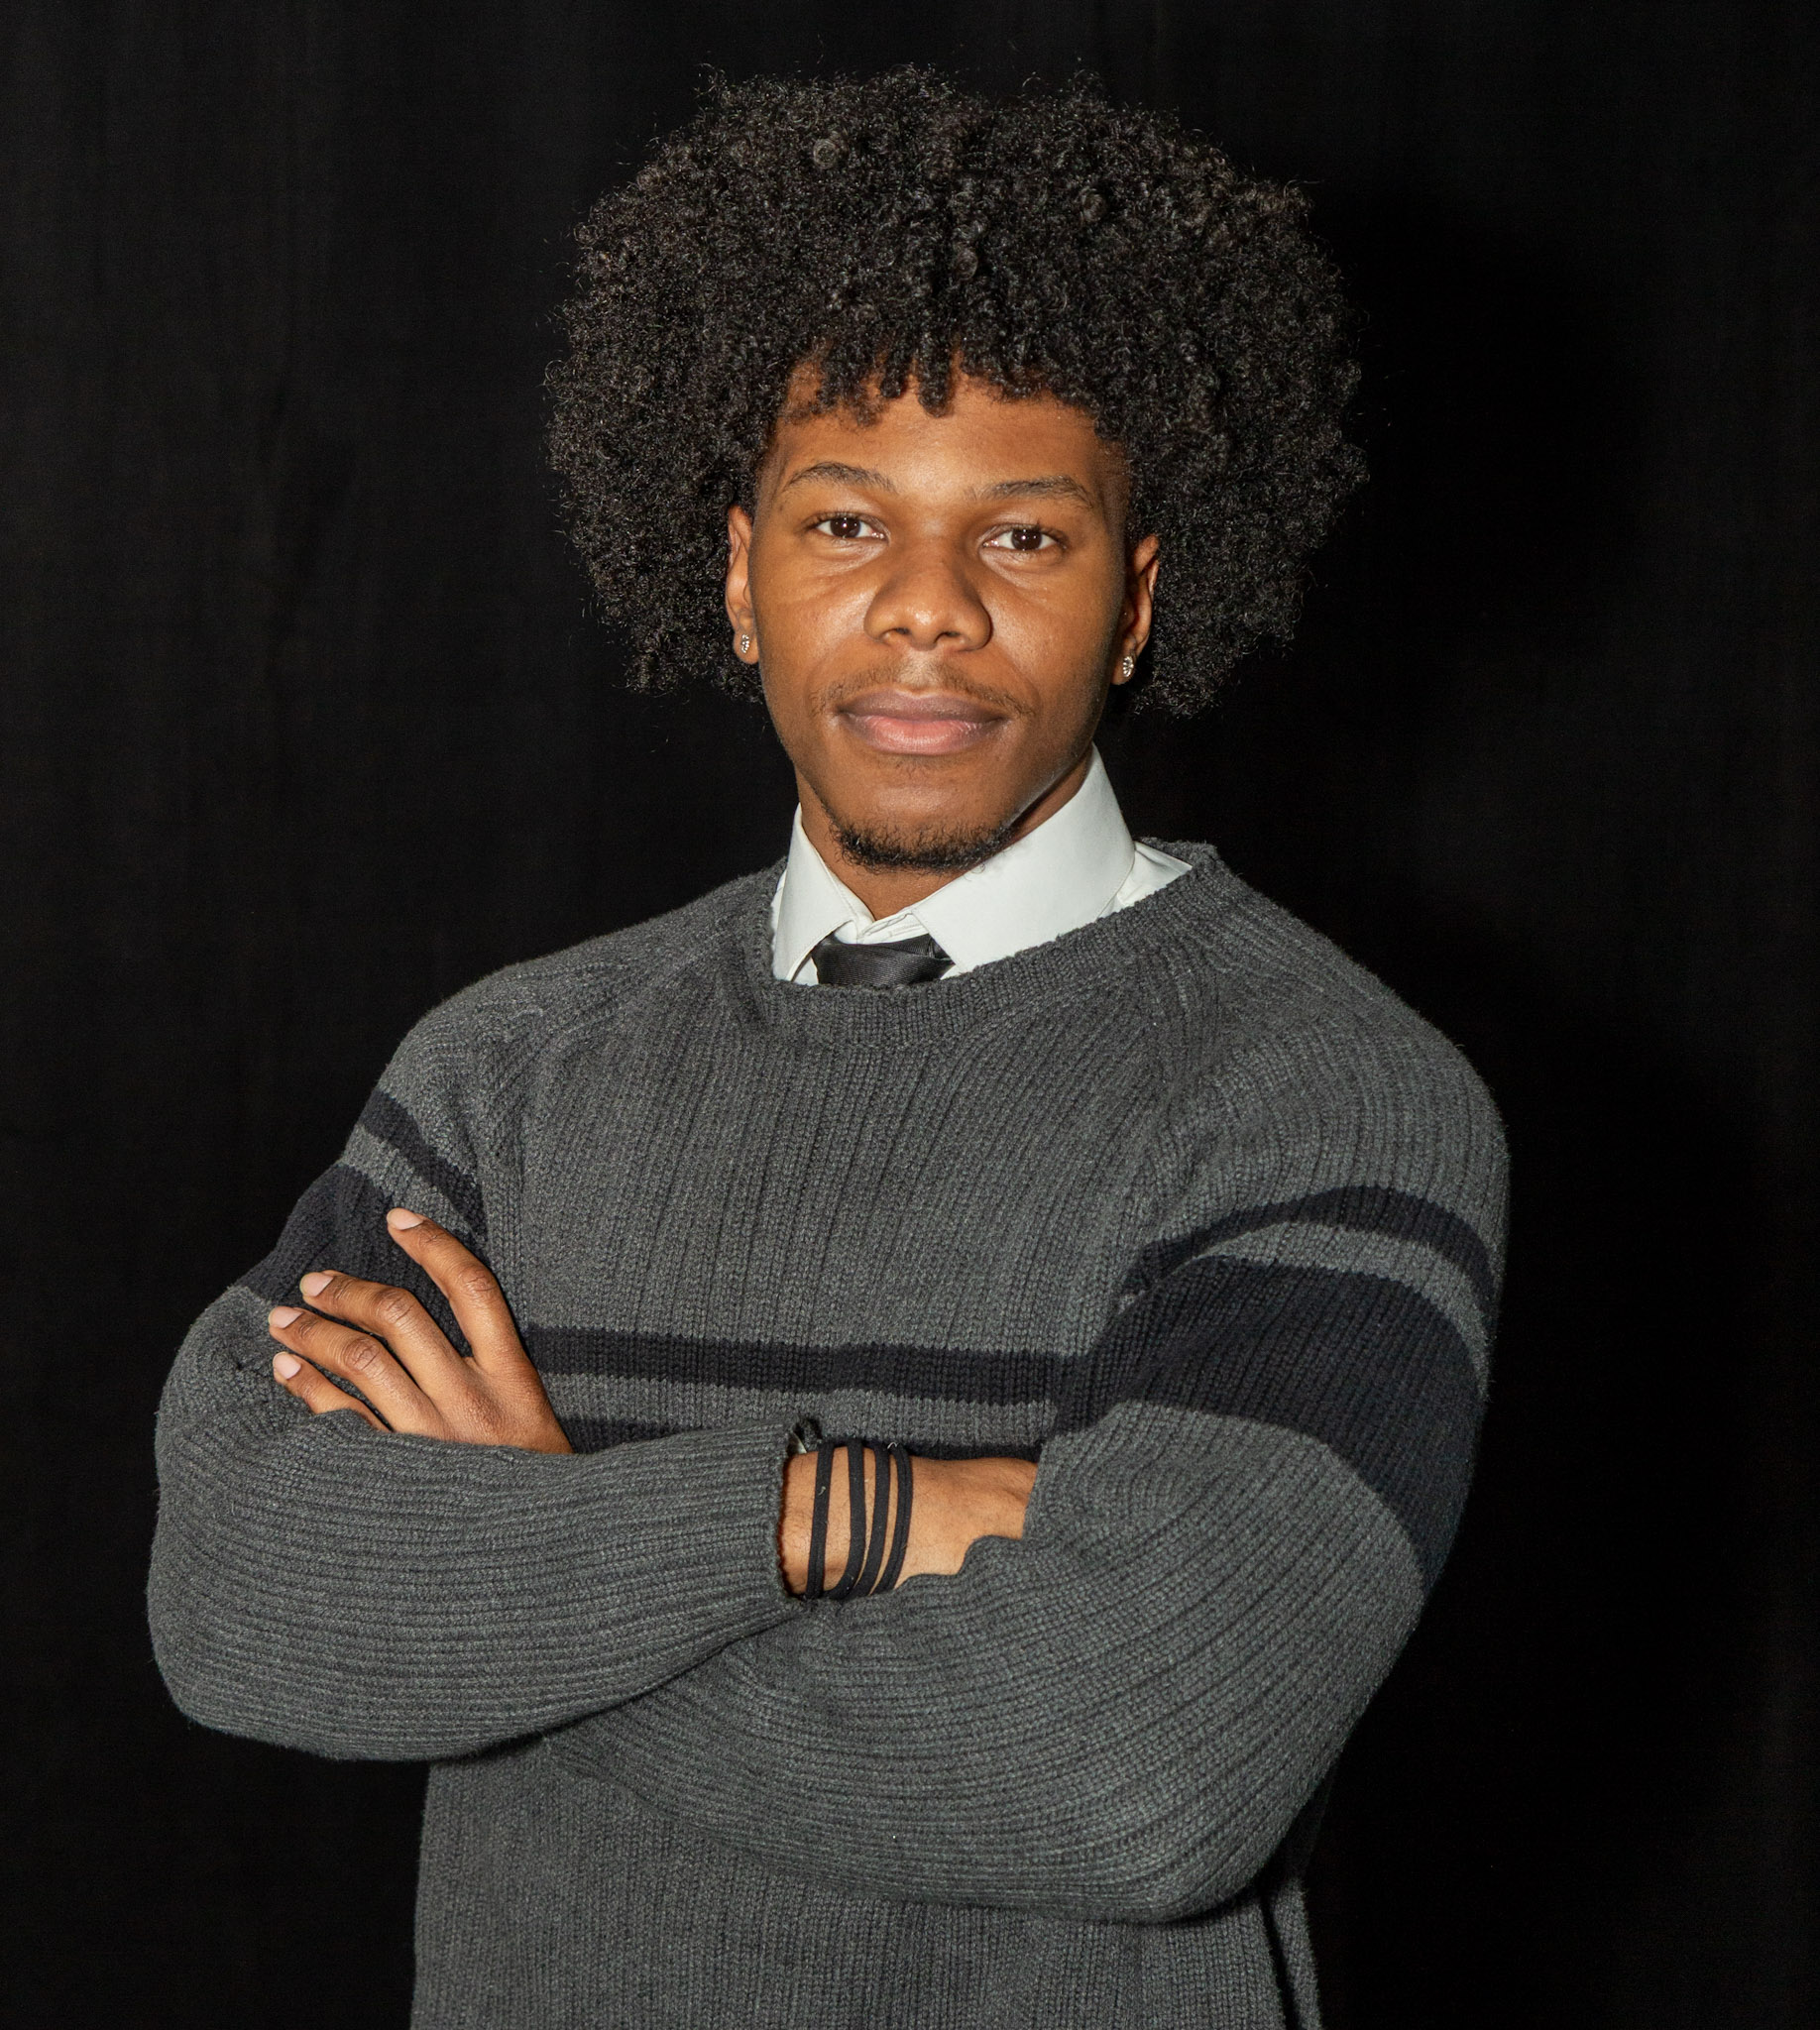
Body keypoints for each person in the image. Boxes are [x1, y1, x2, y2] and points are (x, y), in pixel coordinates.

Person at [149, 68, 1507, 2029]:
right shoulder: (507, 1076)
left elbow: (1129, 1782)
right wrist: (825, 1512)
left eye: (1022, 535)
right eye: (848, 518)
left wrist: (525, 1556)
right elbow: (236, 1598)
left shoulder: (1323, 1094)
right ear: (738, 573)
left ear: (1136, 600)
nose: (926, 610)